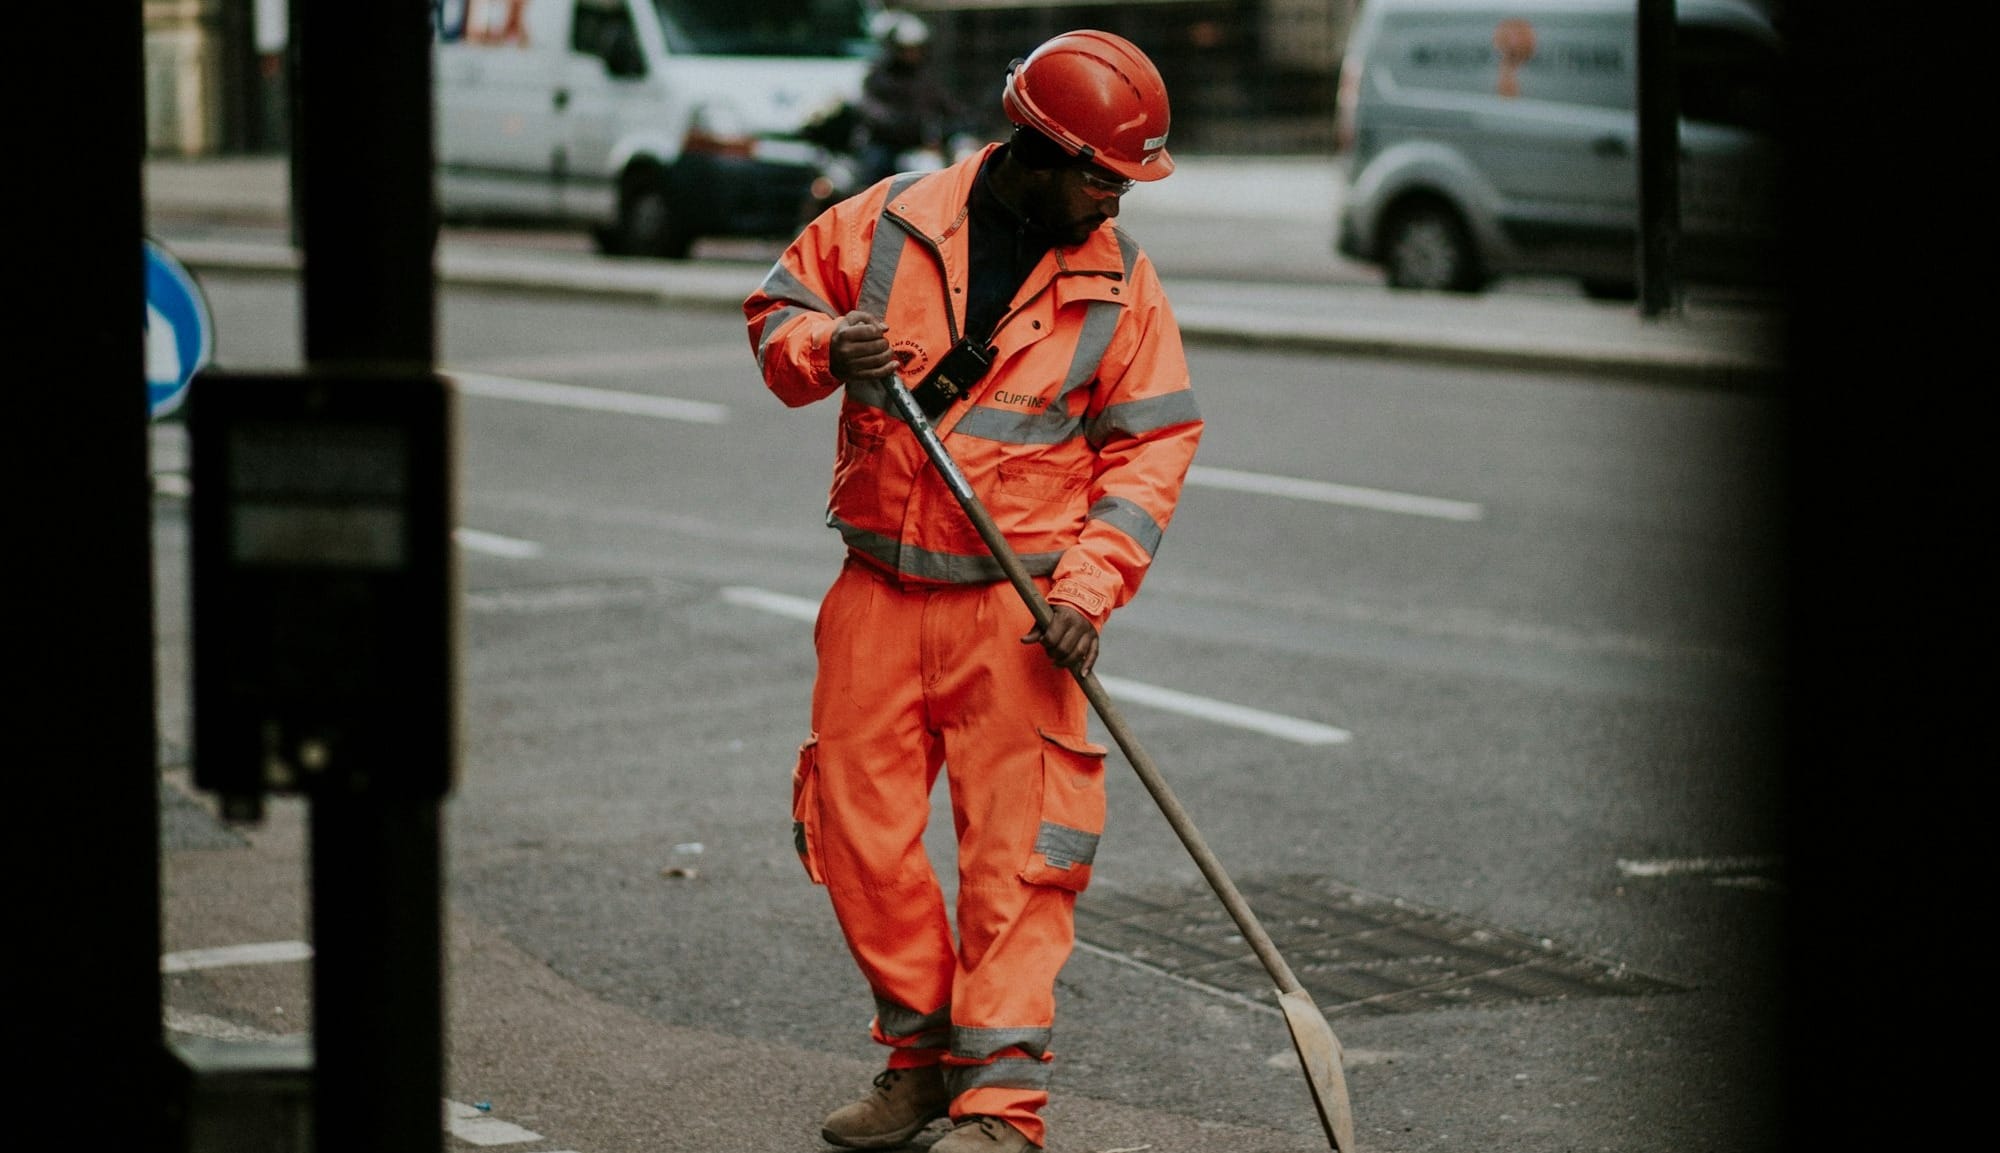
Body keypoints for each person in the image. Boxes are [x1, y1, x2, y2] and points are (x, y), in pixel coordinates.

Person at [743, 30, 1200, 1153]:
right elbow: (774, 315)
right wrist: (822, 350)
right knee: (858, 837)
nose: (1114, 200)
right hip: (878, 593)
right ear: (1036, 149)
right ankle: (921, 1062)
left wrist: (1086, 594)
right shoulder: (886, 222)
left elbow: (1150, 451)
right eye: (1101, 175)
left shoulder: (1120, 283)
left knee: (1019, 858)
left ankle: (999, 1110)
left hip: (1020, 610)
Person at [851, 11, 965, 188]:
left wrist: (962, 120)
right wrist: (890, 120)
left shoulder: (925, 78)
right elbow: (868, 105)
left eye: (916, 49)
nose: (912, 54)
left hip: (916, 144)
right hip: (885, 142)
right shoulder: (880, 76)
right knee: (872, 174)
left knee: (936, 176)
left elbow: (948, 105)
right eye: (906, 49)